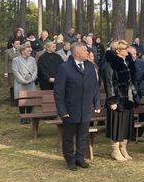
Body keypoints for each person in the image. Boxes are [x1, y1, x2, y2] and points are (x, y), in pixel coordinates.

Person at [53, 42, 101, 170]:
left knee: (82, 136)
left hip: (85, 109)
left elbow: (94, 86)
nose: (88, 53)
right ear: (76, 53)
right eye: (85, 50)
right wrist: (62, 111)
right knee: (68, 137)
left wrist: (97, 103)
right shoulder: (65, 67)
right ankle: (70, 160)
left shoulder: (90, 66)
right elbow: (58, 91)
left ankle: (80, 158)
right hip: (70, 109)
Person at [101, 40, 139, 161]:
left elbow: (132, 80)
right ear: (118, 50)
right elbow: (109, 83)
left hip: (128, 98)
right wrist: (112, 101)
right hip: (117, 99)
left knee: (126, 125)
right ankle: (115, 150)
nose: (127, 50)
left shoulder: (128, 61)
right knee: (117, 125)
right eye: (124, 48)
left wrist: (134, 94)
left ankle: (123, 148)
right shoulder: (110, 63)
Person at [12, 44, 38, 123]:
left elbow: (35, 71)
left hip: (30, 82)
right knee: (22, 100)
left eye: (30, 50)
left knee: (30, 100)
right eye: (28, 51)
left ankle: (29, 117)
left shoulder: (32, 59)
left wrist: (31, 79)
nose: (30, 52)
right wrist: (23, 81)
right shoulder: (16, 60)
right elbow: (15, 72)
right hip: (20, 83)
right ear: (22, 51)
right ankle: (23, 117)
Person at [4, 40, 21, 106]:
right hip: (11, 71)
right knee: (12, 86)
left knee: (19, 86)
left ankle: (18, 101)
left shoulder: (20, 51)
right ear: (12, 44)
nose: (18, 45)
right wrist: (6, 72)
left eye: (19, 44)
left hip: (19, 71)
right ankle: (13, 102)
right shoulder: (7, 51)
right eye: (17, 43)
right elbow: (5, 63)